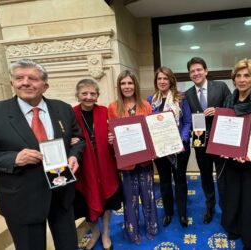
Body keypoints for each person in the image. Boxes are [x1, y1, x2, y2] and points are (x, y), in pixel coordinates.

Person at [0, 59, 85, 250]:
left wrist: (74, 156)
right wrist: (13, 159)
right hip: (22, 198)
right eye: (19, 78)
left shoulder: (63, 108)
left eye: (32, 78)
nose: (25, 82)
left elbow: (78, 140)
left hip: (62, 194)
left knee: (68, 245)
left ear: (45, 86)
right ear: (12, 83)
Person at [221, 58, 251, 250]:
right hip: (233, 159)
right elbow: (225, 127)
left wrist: (249, 152)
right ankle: (235, 229)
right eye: (238, 76)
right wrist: (224, 149)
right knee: (233, 195)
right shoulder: (229, 99)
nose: (241, 79)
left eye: (246, 75)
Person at [107, 70, 158, 244]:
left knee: (148, 195)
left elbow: (151, 130)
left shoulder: (145, 105)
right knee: (130, 199)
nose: (127, 87)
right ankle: (132, 232)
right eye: (123, 83)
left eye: (130, 83)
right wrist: (111, 138)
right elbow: (110, 131)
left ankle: (151, 226)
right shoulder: (113, 107)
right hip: (126, 162)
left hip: (144, 160)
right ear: (119, 86)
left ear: (135, 85)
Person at [72, 79, 122, 250]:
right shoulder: (71, 114)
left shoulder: (104, 111)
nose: (88, 97)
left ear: (97, 95)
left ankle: (106, 232)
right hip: (84, 168)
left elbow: (114, 131)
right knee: (87, 201)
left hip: (106, 165)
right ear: (77, 95)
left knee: (108, 201)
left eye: (93, 93)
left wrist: (112, 138)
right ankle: (95, 233)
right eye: (84, 93)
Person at [185, 57, 231, 224]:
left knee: (223, 177)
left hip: (220, 138)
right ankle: (210, 207)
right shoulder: (187, 94)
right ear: (189, 75)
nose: (196, 73)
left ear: (206, 71)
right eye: (192, 71)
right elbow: (187, 119)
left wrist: (218, 110)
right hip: (199, 141)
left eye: (199, 70)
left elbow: (232, 108)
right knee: (205, 176)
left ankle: (227, 209)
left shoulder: (221, 87)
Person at [146, 67, 192, 227]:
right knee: (164, 181)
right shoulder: (150, 101)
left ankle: (182, 213)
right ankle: (168, 212)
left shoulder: (180, 98)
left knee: (180, 181)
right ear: (156, 81)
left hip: (180, 148)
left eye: (165, 78)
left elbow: (187, 122)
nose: (162, 81)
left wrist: (182, 140)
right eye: (159, 79)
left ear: (171, 80)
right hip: (160, 149)